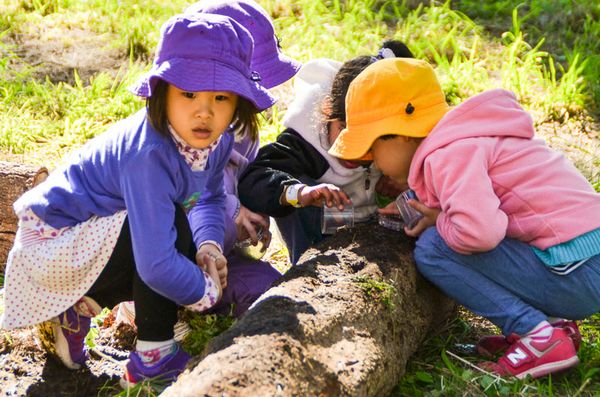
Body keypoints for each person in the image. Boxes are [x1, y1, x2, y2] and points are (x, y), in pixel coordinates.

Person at [0, 13, 276, 388]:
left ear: (238, 102)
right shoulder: (148, 154)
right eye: (189, 93)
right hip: (53, 243)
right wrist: (204, 291)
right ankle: (154, 356)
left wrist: (209, 246)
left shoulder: (216, 139)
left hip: (97, 239)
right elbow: (156, 264)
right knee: (167, 232)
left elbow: (209, 197)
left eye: (221, 97)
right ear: (162, 92)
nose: (204, 111)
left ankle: (79, 307)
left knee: (173, 230)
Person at [328, 57, 600, 379]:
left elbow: (480, 233)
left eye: (372, 150)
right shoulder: (466, 138)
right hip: (581, 262)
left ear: (397, 135)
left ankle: (537, 335)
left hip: (579, 274)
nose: (373, 162)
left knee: (434, 248)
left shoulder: (448, 154)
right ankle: (554, 326)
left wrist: (439, 220)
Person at [238, 41, 412, 265]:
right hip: (317, 235)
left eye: (370, 143)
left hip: (374, 226)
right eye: (346, 131)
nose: (357, 152)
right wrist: (298, 192)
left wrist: (402, 180)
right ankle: (306, 264)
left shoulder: (396, 140)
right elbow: (254, 178)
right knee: (296, 191)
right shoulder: (306, 143)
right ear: (328, 110)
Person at [184, 0, 301, 316]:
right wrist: (234, 212)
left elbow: (238, 179)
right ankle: (152, 305)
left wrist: (253, 214)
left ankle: (200, 298)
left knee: (271, 290)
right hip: (173, 247)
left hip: (218, 254)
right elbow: (187, 195)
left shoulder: (244, 127)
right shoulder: (183, 131)